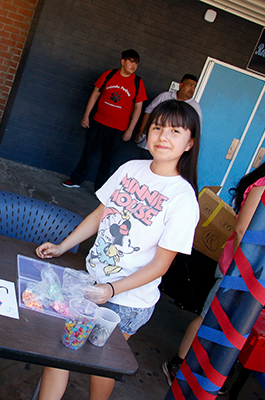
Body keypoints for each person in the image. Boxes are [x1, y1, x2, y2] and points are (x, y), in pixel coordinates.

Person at [37, 100, 201, 400]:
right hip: (91, 281)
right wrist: (63, 246)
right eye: (157, 127)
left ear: (189, 143)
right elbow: (99, 215)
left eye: (175, 131)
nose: (163, 136)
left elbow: (161, 265)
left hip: (127, 301)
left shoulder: (183, 198)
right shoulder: (131, 169)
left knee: (98, 365)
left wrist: (112, 290)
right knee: (59, 350)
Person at [161, 150, 265, 390]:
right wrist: (243, 272)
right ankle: (177, 364)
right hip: (242, 273)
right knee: (209, 317)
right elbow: (242, 230)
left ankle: (205, 372)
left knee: (232, 327)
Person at [62, 49, 147, 191]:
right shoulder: (109, 75)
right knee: (88, 153)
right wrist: (86, 115)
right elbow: (95, 95)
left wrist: (130, 129)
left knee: (108, 161)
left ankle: (101, 189)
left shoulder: (137, 82)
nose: (134, 66)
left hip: (119, 129)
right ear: (123, 61)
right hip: (99, 123)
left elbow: (138, 108)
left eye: (136, 63)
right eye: (131, 62)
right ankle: (76, 180)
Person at [135, 74, 202, 159]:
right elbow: (148, 112)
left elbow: (197, 131)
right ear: (181, 85)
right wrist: (141, 130)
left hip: (172, 150)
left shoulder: (195, 107)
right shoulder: (165, 96)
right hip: (151, 144)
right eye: (190, 85)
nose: (192, 89)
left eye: (194, 86)